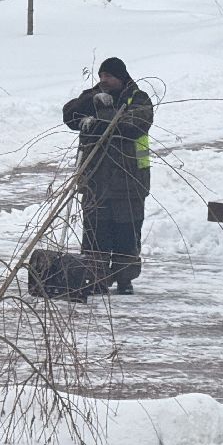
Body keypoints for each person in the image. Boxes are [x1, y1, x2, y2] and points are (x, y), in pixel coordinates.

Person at [62, 57, 153, 295]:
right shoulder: (91, 97)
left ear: (121, 77)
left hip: (129, 179)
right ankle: (96, 278)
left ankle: (124, 278)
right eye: (101, 76)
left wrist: (99, 121)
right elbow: (69, 114)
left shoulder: (138, 98)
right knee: (95, 231)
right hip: (95, 180)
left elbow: (134, 124)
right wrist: (91, 104)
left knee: (127, 231)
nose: (104, 81)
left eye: (109, 76)